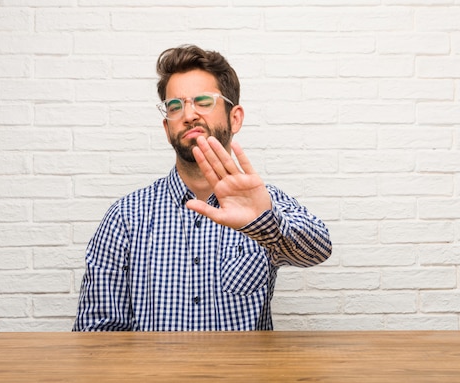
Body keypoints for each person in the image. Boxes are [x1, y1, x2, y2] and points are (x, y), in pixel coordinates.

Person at [73, 45, 332, 331]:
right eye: (175, 106)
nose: (189, 115)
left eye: (203, 102)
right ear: (166, 127)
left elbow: (318, 250)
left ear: (235, 118)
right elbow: (95, 334)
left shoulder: (261, 203)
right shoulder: (125, 217)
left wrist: (264, 224)